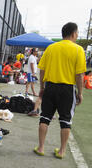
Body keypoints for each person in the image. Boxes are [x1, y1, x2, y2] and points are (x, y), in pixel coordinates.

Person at [34, 22, 86, 159]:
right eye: (77, 33)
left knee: (45, 117)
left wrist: (42, 87)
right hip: (67, 89)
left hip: (50, 87)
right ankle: (62, 151)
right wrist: (80, 93)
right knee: (65, 120)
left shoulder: (51, 48)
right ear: (74, 33)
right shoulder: (78, 50)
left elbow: (42, 70)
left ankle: (41, 147)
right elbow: (79, 75)